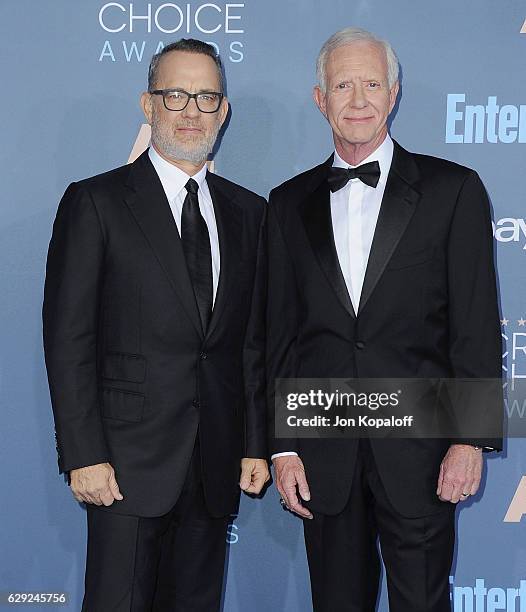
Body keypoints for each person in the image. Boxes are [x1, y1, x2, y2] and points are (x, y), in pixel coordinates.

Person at [267, 27, 502, 611]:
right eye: (343, 85)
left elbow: (475, 323)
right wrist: (283, 447)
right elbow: (277, 335)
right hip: (324, 453)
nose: (359, 98)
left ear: (394, 93)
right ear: (320, 99)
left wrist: (470, 439)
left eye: (372, 83)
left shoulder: (454, 190)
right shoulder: (286, 203)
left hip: (422, 454)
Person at [43, 38, 269, 611]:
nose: (191, 111)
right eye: (175, 95)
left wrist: (255, 444)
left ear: (224, 111)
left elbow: (250, 343)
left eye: (206, 97)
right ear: (148, 105)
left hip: (213, 466)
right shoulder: (95, 203)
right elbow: (68, 339)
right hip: (122, 466)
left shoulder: (250, 213)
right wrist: (83, 453)